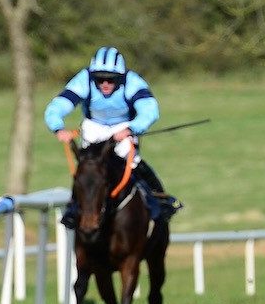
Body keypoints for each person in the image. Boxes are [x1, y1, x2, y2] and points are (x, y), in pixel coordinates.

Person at [43, 46, 177, 225]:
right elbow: (57, 107)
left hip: (124, 127)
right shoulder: (84, 79)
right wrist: (58, 128)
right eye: (100, 79)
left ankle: (160, 201)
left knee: (131, 163)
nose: (105, 84)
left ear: (120, 77)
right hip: (94, 127)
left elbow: (150, 111)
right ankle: (74, 209)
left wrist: (132, 128)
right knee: (88, 169)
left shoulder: (133, 82)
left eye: (111, 80)